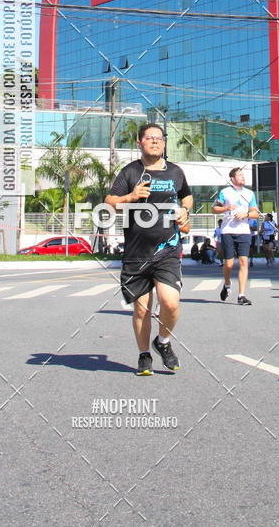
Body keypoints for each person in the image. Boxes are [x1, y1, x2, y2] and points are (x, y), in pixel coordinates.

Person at [105, 122, 192, 376]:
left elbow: (186, 196)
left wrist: (185, 210)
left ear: (164, 143)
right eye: (149, 138)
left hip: (168, 250)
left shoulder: (176, 172)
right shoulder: (130, 172)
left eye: (159, 138)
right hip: (137, 252)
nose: (155, 141)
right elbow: (109, 203)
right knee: (141, 308)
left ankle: (162, 341)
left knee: (171, 303)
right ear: (139, 143)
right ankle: (144, 355)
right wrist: (130, 198)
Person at [212, 167, 259, 305]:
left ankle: (241, 295)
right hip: (228, 231)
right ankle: (227, 285)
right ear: (232, 179)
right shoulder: (224, 192)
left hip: (244, 231)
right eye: (240, 175)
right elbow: (214, 209)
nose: (243, 177)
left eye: (243, 175)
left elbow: (256, 213)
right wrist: (227, 208)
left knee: (244, 261)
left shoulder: (250, 194)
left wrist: (246, 214)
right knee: (229, 264)